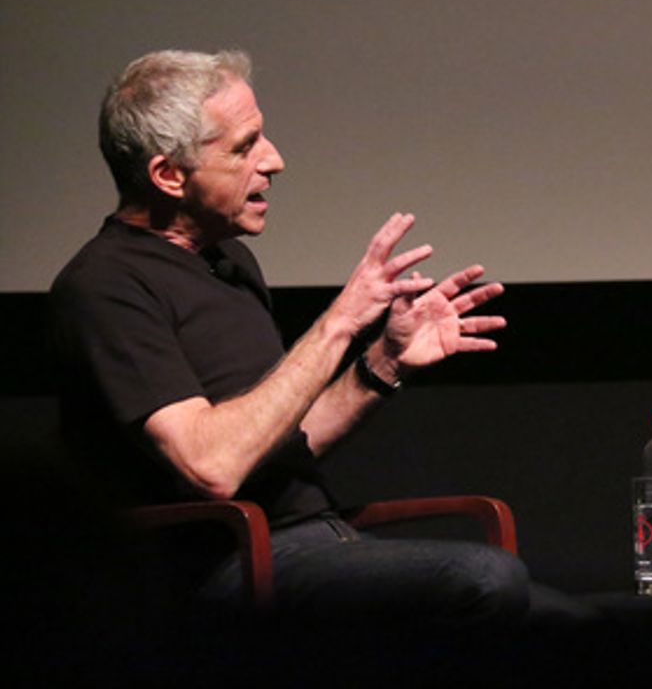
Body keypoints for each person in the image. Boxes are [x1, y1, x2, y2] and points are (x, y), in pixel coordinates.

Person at [49, 49, 532, 633]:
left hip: (315, 544)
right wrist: (339, 322)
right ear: (169, 175)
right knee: (485, 581)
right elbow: (213, 466)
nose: (273, 160)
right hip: (219, 568)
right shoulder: (105, 287)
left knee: (579, 625)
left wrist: (382, 363)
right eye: (243, 146)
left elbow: (276, 440)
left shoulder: (228, 262)